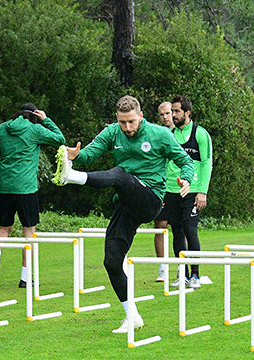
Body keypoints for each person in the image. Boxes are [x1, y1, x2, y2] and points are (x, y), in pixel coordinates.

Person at [54, 95, 194, 333]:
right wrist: (74, 155)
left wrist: (187, 180)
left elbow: (185, 161)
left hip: (150, 197)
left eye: (131, 121)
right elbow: (89, 154)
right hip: (126, 202)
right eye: (122, 122)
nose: (127, 127)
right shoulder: (112, 132)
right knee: (111, 260)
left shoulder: (160, 134)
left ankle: (72, 177)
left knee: (119, 174)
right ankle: (133, 316)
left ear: (140, 116)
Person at [0, 103, 66, 288]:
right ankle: (25, 278)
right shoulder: (35, 130)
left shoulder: (2, 128)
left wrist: (1, 180)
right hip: (26, 188)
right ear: (34, 115)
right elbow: (60, 138)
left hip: (6, 187)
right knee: (28, 232)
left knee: (4, 228)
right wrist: (46, 119)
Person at [166, 95, 213, 289]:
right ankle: (182, 274)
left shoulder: (200, 134)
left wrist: (202, 191)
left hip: (192, 191)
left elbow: (207, 163)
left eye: (176, 111)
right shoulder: (168, 134)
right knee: (176, 231)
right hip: (171, 190)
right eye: (172, 111)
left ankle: (195, 275)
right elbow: (162, 161)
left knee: (190, 229)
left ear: (187, 113)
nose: (173, 115)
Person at [153, 101, 175, 282]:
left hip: (179, 187)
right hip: (161, 187)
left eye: (168, 113)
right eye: (162, 115)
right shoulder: (157, 134)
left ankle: (183, 269)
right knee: (160, 227)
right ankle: (162, 269)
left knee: (180, 228)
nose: (165, 117)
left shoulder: (184, 134)